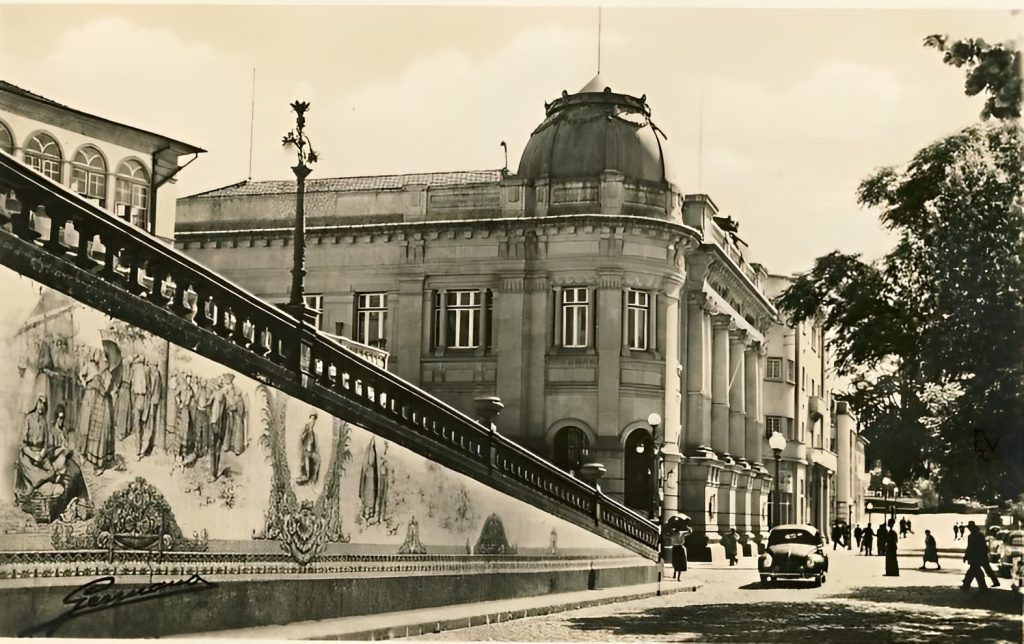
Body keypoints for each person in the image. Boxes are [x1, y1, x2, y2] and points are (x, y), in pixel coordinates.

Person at [962, 521, 991, 590]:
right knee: (975, 571)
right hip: (978, 556)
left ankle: (967, 585)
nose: (969, 529)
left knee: (974, 571)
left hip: (975, 556)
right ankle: (979, 586)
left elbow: (970, 547)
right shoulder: (979, 535)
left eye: (969, 528)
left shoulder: (972, 536)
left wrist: (966, 556)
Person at [296, 413, 321, 486]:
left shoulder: (312, 433)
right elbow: (302, 438)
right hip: (306, 452)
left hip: (311, 452)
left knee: (318, 459)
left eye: (314, 420)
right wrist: (306, 431)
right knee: (307, 459)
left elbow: (313, 444)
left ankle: (314, 479)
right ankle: (306, 477)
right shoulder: (306, 430)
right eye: (312, 419)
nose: (313, 421)